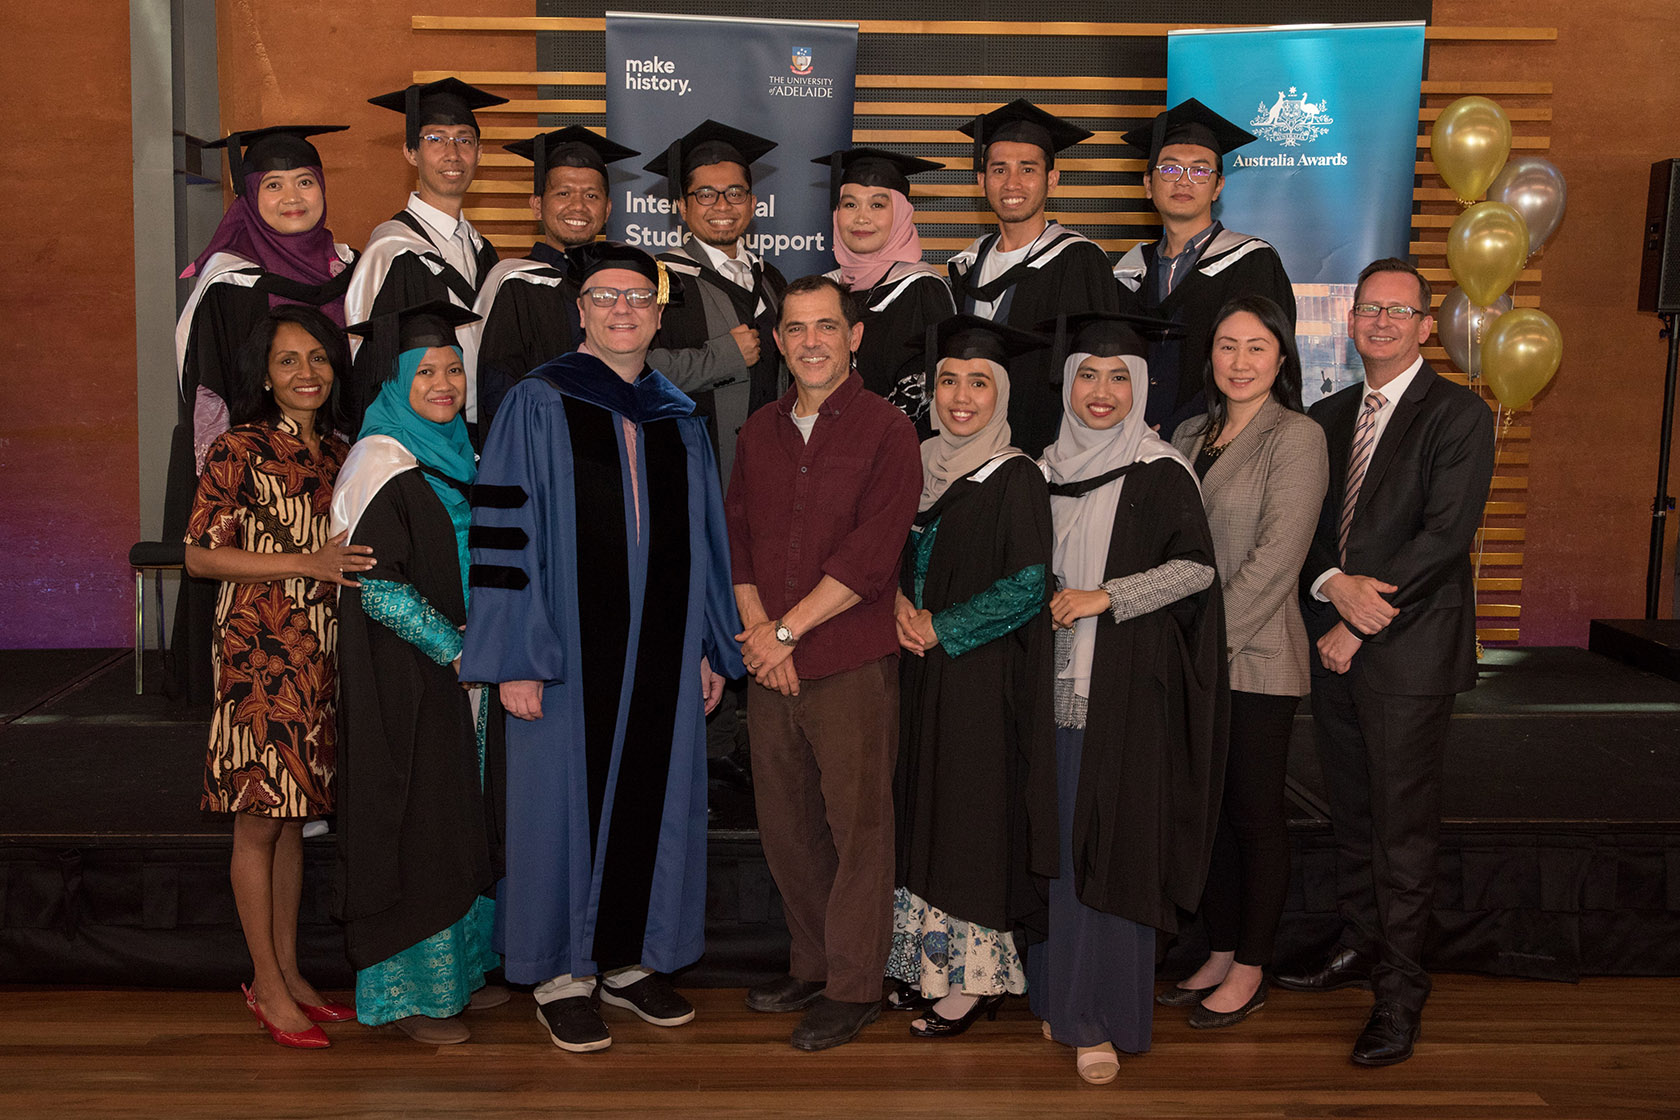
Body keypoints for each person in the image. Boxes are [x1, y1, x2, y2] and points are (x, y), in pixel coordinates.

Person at [459, 243, 743, 1053]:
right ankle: (560, 973)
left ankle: (626, 959)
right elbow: (503, 537)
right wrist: (513, 654)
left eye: (637, 299)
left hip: (661, 648)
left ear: (657, 315)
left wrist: (702, 645)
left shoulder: (677, 415)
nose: (622, 310)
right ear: (579, 310)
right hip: (563, 652)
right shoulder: (538, 401)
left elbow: (702, 541)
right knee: (559, 806)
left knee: (654, 799)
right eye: (604, 298)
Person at [1278, 259, 1495, 1067]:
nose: (1380, 322)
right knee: (1353, 818)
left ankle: (1401, 996)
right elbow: (1303, 528)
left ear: (1426, 326)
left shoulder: (1459, 416)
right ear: (1350, 319)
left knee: (1401, 833)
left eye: (1399, 312)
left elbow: (1443, 538)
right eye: (1369, 309)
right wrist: (1332, 587)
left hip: (1406, 653)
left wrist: (1360, 624)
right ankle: (1361, 948)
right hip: (1335, 641)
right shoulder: (1329, 416)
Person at [725, 275, 921, 1051]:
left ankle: (854, 985)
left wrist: (784, 634)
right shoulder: (758, 432)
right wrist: (758, 635)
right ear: (779, 342)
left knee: (856, 828)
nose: (811, 341)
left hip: (847, 662)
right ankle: (811, 962)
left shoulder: (887, 432)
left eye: (826, 327)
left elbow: (872, 555)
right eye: (796, 329)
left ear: (854, 337)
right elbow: (736, 538)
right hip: (770, 665)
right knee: (788, 827)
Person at [1031, 312, 1226, 1085]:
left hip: (1122, 697)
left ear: (1142, 387)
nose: (1102, 392)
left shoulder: (1160, 472)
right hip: (1045, 697)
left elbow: (1197, 571)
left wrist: (1106, 596)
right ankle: (1057, 995)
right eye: (1087, 374)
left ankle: (1099, 1018)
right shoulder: (1039, 469)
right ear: (1067, 383)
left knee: (1107, 852)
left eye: (1120, 378)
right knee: (1057, 857)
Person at [183, 305, 372, 1049]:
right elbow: (200, 556)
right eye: (289, 360)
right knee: (259, 818)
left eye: (319, 359)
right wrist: (306, 563)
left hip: (320, 653)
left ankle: (290, 972)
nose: (306, 373)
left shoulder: (339, 451)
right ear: (264, 373)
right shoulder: (238, 447)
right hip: (259, 653)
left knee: (293, 817)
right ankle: (265, 984)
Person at [331, 301, 503, 1045]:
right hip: (405, 676)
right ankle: (412, 997)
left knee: (460, 820)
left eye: (453, 369)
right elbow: (373, 584)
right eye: (425, 371)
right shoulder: (380, 460)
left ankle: (462, 976)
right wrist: (455, 647)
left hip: (467, 671)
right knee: (418, 825)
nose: (444, 383)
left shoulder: (463, 448)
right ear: (397, 383)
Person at [885, 315, 1056, 1038]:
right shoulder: (916, 464)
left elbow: (1028, 584)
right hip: (919, 676)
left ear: (1002, 394)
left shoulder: (1016, 474)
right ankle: (927, 967)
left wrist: (941, 627)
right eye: (949, 381)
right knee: (919, 810)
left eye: (978, 382)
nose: (961, 396)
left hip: (981, 678)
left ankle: (974, 981)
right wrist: (895, 600)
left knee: (968, 821)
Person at [1161, 296, 1328, 1028]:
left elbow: (1275, 562)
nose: (1239, 361)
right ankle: (1222, 948)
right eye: (1227, 346)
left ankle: (1254, 966)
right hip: (1191, 656)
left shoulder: (1297, 437)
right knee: (1212, 817)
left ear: (1282, 358)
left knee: (1255, 816)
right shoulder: (1189, 431)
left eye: (1256, 348)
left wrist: (1202, 645)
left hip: (1254, 656)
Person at [165, 124, 358, 703]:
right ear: (248, 197)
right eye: (273, 185)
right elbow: (209, 401)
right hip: (254, 493)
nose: (292, 197)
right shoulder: (228, 283)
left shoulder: (347, 268)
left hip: (337, 467)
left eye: (305, 181)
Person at [946, 98, 1119, 457]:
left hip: (1048, 451)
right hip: (969, 450)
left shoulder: (1079, 261)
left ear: (1052, 180)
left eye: (1027, 169)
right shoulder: (965, 266)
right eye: (999, 170)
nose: (1012, 183)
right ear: (981, 180)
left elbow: (1099, 369)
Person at [1114, 100, 1297, 436]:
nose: (1183, 181)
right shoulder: (1129, 272)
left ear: (1218, 187)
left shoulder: (1252, 262)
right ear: (1148, 185)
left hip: (1217, 438)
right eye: (1169, 169)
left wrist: (1177, 429)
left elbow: (1258, 367)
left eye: (1199, 171)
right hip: (1127, 440)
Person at [347, 79, 508, 432]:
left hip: (478, 435)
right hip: (416, 443)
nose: (452, 153)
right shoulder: (390, 253)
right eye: (435, 139)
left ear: (480, 152)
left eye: (464, 140)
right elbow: (369, 368)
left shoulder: (484, 252)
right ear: (410, 152)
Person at [465, 126, 638, 440]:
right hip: (541, 453)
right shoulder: (514, 283)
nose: (578, 206)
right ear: (536, 205)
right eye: (563, 193)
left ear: (607, 209)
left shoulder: (622, 289)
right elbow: (498, 391)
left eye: (591, 195)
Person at [643, 119, 788, 472]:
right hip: (693, 465)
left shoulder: (771, 278)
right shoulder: (658, 279)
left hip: (771, 462)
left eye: (735, 193)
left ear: (752, 204)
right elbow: (638, 372)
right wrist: (724, 357)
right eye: (706, 194)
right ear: (682, 206)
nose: (722, 206)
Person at [814, 146, 956, 434]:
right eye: (850, 205)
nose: (861, 218)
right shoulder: (824, 290)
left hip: (896, 452)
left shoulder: (920, 289)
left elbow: (925, 394)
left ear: (901, 215)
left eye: (877, 205)